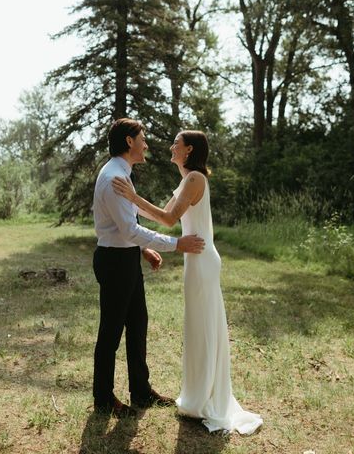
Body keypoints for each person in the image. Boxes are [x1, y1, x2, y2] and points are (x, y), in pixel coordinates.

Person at [112, 130, 263, 434]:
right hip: (195, 260)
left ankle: (207, 398)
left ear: (189, 150)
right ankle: (198, 395)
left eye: (176, 145)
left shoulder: (195, 179)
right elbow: (159, 213)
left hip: (202, 260)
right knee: (197, 326)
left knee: (204, 326)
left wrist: (133, 196)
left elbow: (169, 220)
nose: (171, 147)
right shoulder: (187, 180)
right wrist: (129, 200)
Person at [92, 118, 205, 418]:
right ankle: (103, 398)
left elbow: (128, 222)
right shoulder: (114, 177)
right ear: (129, 142)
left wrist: (144, 249)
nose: (146, 143)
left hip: (126, 258)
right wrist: (176, 244)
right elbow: (128, 229)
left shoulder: (122, 174)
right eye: (142, 138)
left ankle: (140, 391)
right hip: (115, 262)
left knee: (138, 325)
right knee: (111, 332)